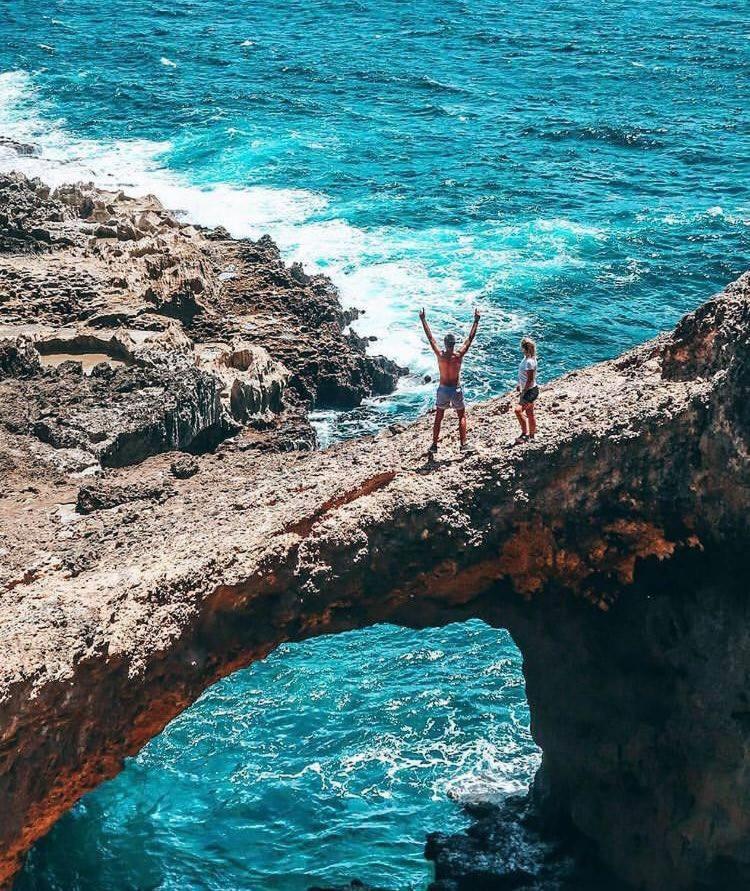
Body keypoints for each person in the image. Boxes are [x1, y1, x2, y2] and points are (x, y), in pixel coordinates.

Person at [419, 306, 480, 454]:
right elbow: (470, 339)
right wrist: (476, 321)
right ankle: (463, 444)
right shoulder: (458, 355)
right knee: (461, 415)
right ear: (454, 344)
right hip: (455, 389)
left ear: (445, 344)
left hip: (443, 389)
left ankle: (434, 445)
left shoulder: (440, 355)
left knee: (439, 417)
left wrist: (423, 320)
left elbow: (430, 338)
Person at [513, 336, 539, 444]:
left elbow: (530, 379)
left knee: (518, 410)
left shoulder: (529, 362)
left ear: (524, 348)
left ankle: (524, 434)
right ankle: (531, 437)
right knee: (530, 413)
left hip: (530, 391)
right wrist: (519, 384)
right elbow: (523, 376)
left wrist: (524, 391)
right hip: (529, 390)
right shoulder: (527, 359)